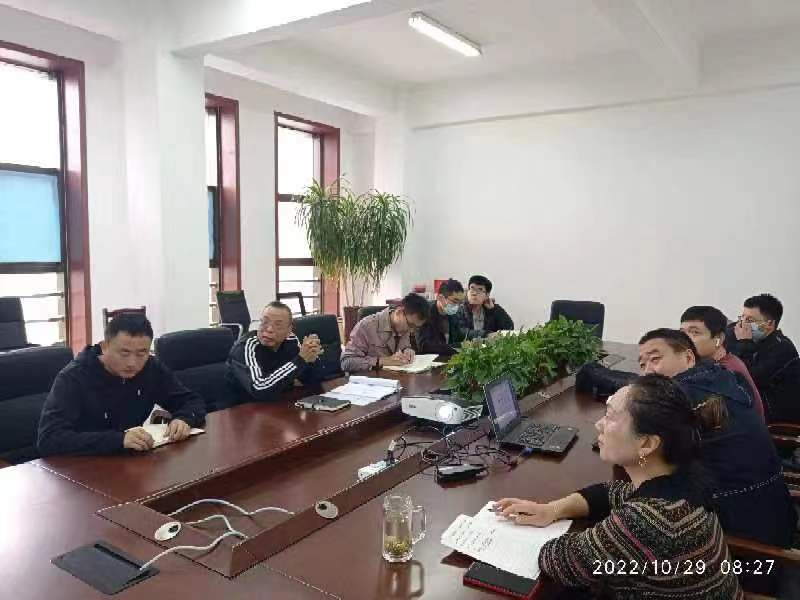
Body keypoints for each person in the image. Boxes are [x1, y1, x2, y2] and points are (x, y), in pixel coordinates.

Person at [494, 375, 742, 599]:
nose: (599, 424)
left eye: (611, 416)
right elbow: (608, 493)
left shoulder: (648, 521)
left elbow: (560, 562)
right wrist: (551, 510)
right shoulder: (680, 480)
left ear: (646, 444)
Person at [638, 328, 796, 547]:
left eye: (655, 359)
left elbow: (637, 410)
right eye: (642, 365)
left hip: (741, 541)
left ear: (688, 357)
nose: (648, 372)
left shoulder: (685, 393)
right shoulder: (719, 377)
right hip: (774, 516)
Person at [38, 313, 206, 456]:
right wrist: (119, 440)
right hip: (83, 467)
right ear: (104, 346)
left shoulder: (151, 367)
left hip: (132, 462)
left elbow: (191, 400)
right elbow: (49, 439)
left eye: (141, 353)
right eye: (124, 353)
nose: (132, 363)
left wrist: (183, 419)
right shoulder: (74, 377)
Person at [226, 301, 328, 403]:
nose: (269, 329)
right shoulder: (246, 347)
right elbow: (259, 389)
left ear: (289, 331)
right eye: (265, 322)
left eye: (278, 325)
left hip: (278, 402)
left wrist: (312, 359)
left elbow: (313, 379)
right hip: (243, 407)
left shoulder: (291, 340)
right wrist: (301, 360)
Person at [680, 305, 764, 419]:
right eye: (682, 333)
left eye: (695, 332)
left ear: (719, 339)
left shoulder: (725, 372)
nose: (684, 339)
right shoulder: (715, 365)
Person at [726, 293, 800, 423]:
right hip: (748, 410)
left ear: (769, 324)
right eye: (742, 317)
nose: (743, 324)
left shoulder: (783, 349)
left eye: (750, 320)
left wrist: (744, 343)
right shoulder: (743, 337)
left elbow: (747, 380)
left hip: (775, 418)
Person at [340, 293, 429, 372]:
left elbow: (404, 346)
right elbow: (346, 362)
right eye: (411, 325)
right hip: (371, 382)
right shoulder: (367, 326)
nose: (412, 331)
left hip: (396, 379)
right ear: (399, 312)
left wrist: (407, 351)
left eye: (416, 328)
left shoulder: (405, 327)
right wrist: (382, 361)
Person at [415, 279, 465, 356]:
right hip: (430, 359)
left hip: (448, 357)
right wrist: (450, 349)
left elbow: (458, 337)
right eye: (455, 301)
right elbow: (424, 345)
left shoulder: (453, 315)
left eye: (460, 302)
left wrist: (465, 344)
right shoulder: (425, 313)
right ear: (440, 298)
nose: (457, 306)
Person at [456, 275, 514, 340]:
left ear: (487, 295)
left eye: (480, 290)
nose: (474, 293)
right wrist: (486, 334)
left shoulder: (493, 308)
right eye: (472, 288)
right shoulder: (459, 309)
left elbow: (509, 327)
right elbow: (460, 332)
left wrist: (494, 310)